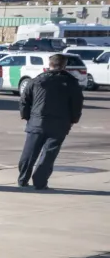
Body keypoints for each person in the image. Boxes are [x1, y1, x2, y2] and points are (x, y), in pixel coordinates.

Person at [19, 52, 83, 191]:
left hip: (36, 122)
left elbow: (25, 99)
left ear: (50, 64)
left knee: (29, 152)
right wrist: (74, 119)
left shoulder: (37, 80)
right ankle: (40, 182)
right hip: (59, 124)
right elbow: (77, 103)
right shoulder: (71, 82)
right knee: (48, 154)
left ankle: (23, 179)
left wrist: (26, 116)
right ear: (64, 65)